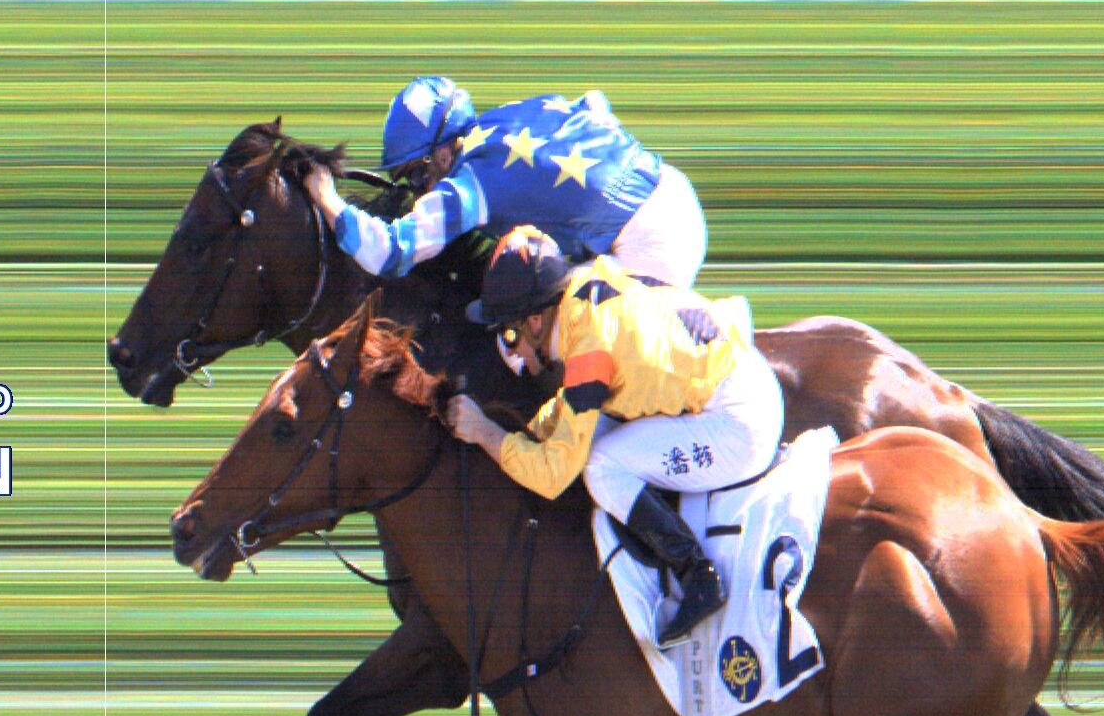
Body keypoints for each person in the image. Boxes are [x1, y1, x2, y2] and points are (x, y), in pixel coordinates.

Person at [444, 226, 784, 647]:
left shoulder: (589, 345)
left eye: (508, 334)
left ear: (534, 320)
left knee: (601, 467)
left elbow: (552, 476)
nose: (510, 351)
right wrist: (528, 431)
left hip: (739, 424)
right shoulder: (585, 293)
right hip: (737, 379)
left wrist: (485, 433)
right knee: (600, 436)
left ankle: (696, 573)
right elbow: (575, 408)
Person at [302, 75, 708, 290]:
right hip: (672, 186)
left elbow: (388, 253)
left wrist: (326, 197)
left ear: (442, 154)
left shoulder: (470, 185)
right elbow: (595, 103)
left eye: (417, 174)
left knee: (545, 330)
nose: (420, 190)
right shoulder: (505, 118)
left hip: (650, 247)